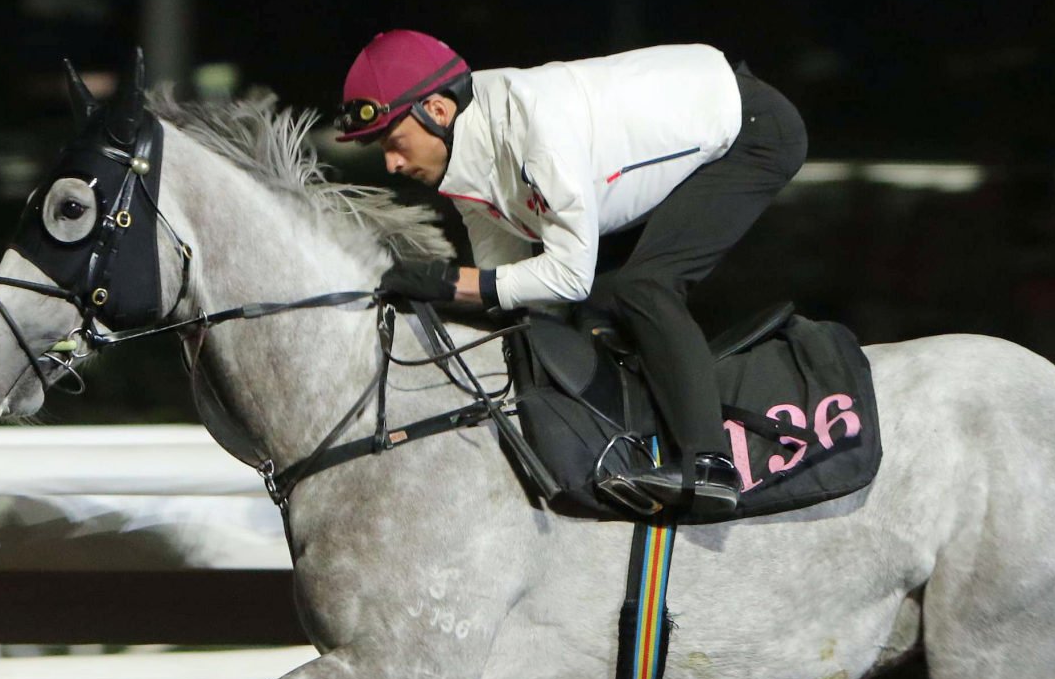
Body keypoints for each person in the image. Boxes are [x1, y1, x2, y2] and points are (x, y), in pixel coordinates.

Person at [334, 30, 807, 519]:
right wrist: (442, 292)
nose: (390, 163)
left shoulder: (535, 125)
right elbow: (513, 291)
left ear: (436, 110)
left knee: (643, 287)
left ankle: (710, 465)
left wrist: (450, 283)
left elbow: (567, 275)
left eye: (393, 142)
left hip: (753, 133)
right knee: (588, 308)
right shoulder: (468, 168)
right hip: (707, 125)